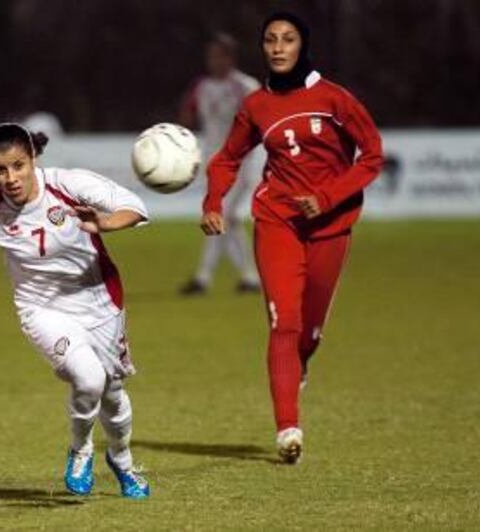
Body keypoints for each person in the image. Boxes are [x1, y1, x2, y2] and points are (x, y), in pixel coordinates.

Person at [201, 12, 384, 464]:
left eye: (288, 39)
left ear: (303, 46)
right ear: (262, 47)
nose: (278, 47)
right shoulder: (256, 105)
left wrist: (327, 197)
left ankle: (302, 360)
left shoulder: (334, 98)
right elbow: (226, 159)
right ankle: (288, 429)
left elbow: (373, 155)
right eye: (270, 40)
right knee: (283, 323)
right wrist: (213, 203)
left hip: (332, 225)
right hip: (276, 219)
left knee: (310, 329)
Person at [0, 122, 150, 498]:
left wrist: (104, 222)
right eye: (0, 170)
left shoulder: (69, 185)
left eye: (18, 166)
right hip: (41, 308)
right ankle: (81, 448)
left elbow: (135, 208)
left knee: (113, 392)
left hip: (100, 301)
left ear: (33, 158)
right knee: (88, 379)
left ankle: (121, 460)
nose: (11, 178)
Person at [178, 33, 262, 295]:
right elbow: (187, 116)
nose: (213, 61)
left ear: (230, 58)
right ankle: (251, 278)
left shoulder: (245, 86)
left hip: (241, 161)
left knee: (220, 215)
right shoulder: (200, 86)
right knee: (227, 220)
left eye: (218, 55)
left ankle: (204, 278)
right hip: (213, 162)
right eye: (210, 56)